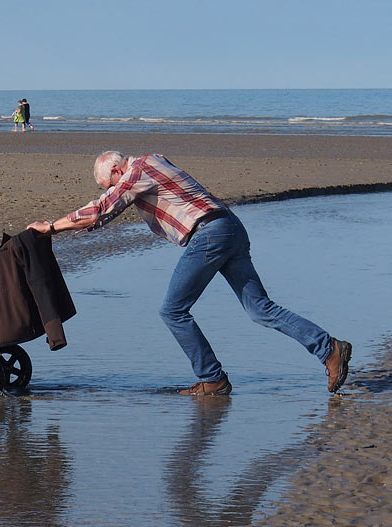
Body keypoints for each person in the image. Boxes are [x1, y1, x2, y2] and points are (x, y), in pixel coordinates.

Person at [28, 151, 351, 395]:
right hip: (228, 228)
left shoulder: (139, 168)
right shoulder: (150, 163)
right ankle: (329, 348)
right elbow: (105, 208)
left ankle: (213, 379)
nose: (111, 188)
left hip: (210, 234)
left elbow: (103, 209)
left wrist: (50, 227)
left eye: (109, 183)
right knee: (259, 310)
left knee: (173, 310)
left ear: (116, 169)